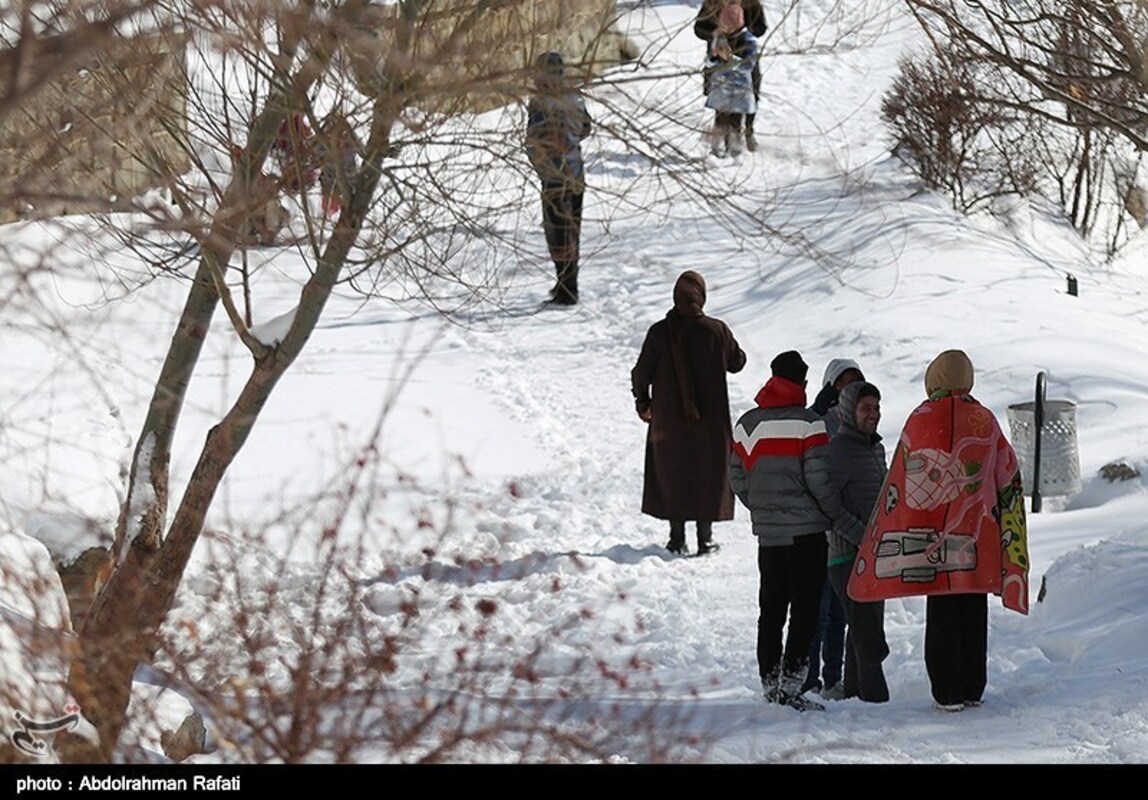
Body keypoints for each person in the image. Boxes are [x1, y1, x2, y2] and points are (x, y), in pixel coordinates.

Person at [848, 350, 1030, 711]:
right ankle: (972, 688)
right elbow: (1007, 473)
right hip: (978, 535)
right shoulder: (985, 419)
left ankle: (947, 691)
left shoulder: (921, 418)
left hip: (933, 537)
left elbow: (901, 475)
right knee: (973, 609)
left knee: (943, 609)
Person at [730, 350, 858, 711]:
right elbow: (819, 481)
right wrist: (834, 515)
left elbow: (736, 477)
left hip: (769, 537)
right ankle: (791, 685)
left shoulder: (747, 424)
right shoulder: (808, 424)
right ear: (802, 383)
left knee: (770, 610)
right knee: (804, 611)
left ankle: (770, 682)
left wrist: (763, 508)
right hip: (807, 537)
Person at [632, 271, 746, 555]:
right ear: (701, 297)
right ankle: (705, 539)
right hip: (711, 423)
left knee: (675, 473)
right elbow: (738, 362)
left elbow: (640, 373)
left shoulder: (659, 332)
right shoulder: (717, 330)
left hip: (669, 422)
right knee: (707, 473)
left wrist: (643, 403)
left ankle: (676, 539)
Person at [802, 357, 865, 696]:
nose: (849, 388)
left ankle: (834, 678)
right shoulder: (818, 420)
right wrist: (816, 410)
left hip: (852, 529)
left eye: (855, 381)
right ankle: (809, 678)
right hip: (820, 529)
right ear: (830, 386)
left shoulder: (862, 423)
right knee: (818, 611)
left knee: (841, 613)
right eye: (843, 382)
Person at [826, 380, 890, 702]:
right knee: (869, 634)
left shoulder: (875, 449)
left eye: (877, 407)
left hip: (874, 553)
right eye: (866, 408)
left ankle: (854, 694)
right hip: (846, 556)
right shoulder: (838, 451)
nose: (873, 414)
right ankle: (876, 699)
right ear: (850, 411)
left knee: (862, 625)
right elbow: (828, 506)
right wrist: (861, 536)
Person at [525, 52, 592, 306]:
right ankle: (567, 284)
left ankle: (567, 290)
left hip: (553, 176)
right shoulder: (575, 97)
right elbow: (586, 128)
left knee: (557, 233)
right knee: (572, 231)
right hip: (576, 175)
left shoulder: (539, 102)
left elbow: (534, 138)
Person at [694, 0, 767, 151]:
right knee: (721, 100)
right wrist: (716, 33)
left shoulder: (751, 3)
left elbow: (760, 28)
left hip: (743, 52)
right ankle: (721, 137)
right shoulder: (713, 3)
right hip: (719, 56)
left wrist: (742, 31)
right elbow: (699, 28)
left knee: (749, 94)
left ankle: (747, 131)